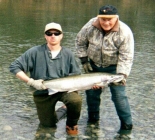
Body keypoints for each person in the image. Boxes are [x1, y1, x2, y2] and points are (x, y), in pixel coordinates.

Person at [9, 22, 82, 136]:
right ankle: (63, 110)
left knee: (75, 101)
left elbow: (76, 75)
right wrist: (30, 81)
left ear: (61, 35)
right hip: (42, 92)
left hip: (64, 90)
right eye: (49, 33)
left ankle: (71, 124)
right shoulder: (34, 52)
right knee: (48, 125)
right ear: (45, 36)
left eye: (56, 33)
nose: (53, 36)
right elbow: (14, 67)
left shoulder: (68, 54)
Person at [75, 5, 134, 138]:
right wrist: (84, 60)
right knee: (92, 94)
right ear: (99, 18)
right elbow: (80, 41)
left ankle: (127, 125)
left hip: (114, 69)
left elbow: (126, 56)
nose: (106, 23)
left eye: (110, 20)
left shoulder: (124, 32)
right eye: (103, 19)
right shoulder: (90, 26)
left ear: (116, 18)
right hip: (93, 65)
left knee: (119, 97)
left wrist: (122, 75)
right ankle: (93, 121)